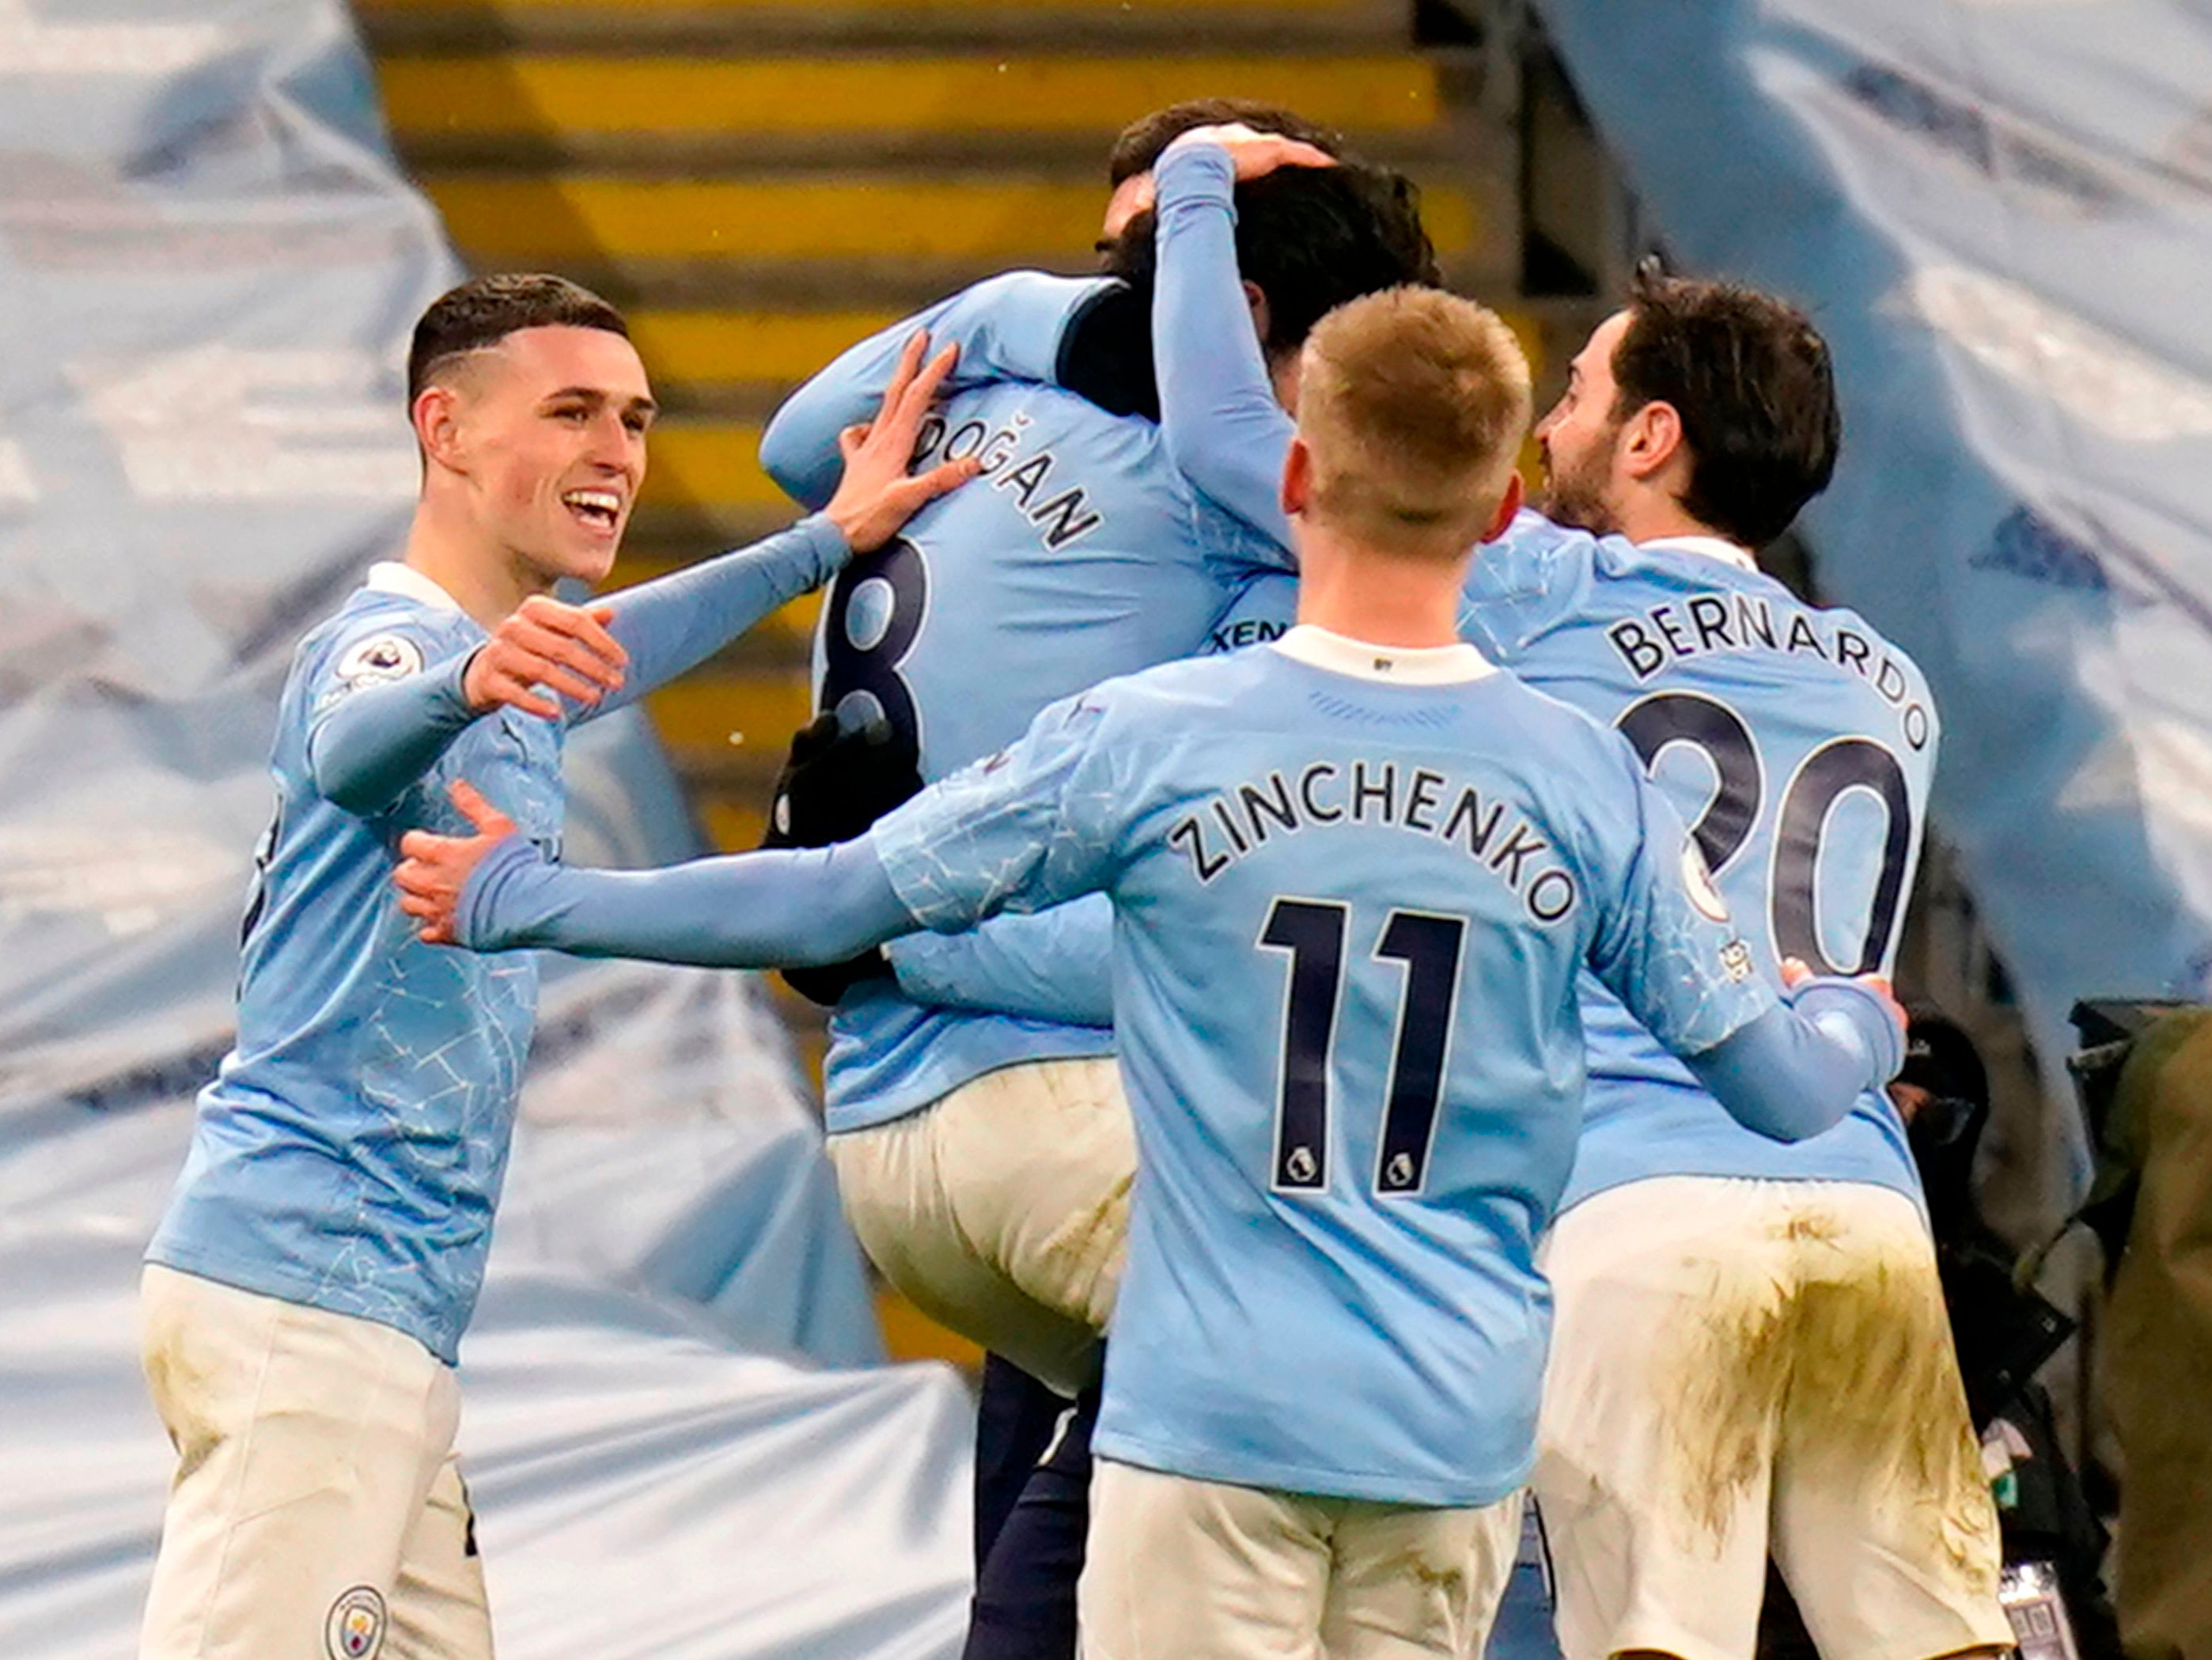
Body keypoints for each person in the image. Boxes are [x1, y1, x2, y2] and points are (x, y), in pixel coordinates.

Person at [395, 283, 1908, 1660]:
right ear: (1508, 505)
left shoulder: (1163, 737)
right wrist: (1847, 1009)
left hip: (1215, 1417)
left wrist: (539, 897)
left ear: (1296, 481)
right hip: (1452, 1432)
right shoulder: (1584, 782)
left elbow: (832, 897)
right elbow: (1779, 1086)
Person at [135, 272, 969, 1660]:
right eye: (572, 411)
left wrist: (824, 542)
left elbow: (616, 649)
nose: (617, 453)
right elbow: (355, 741)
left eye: (635, 419)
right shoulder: (396, 645)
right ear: (443, 429)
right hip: (308, 1294)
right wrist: (465, 684)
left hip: (375, 1310)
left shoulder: (499, 659)